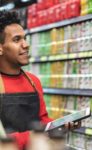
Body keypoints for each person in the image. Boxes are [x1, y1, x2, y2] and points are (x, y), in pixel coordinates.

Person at [0, 10, 80, 150]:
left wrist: (58, 125)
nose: (26, 45)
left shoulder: (33, 81)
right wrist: (36, 134)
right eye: (16, 40)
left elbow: (42, 120)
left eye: (25, 38)